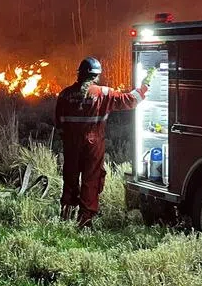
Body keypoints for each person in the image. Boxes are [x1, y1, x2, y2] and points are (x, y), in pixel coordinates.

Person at [54, 57, 150, 228]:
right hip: (93, 143)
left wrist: (67, 140)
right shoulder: (103, 93)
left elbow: (59, 123)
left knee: (70, 178)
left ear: (79, 74)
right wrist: (143, 88)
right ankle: (85, 220)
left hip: (71, 144)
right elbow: (129, 100)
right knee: (91, 179)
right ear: (96, 76)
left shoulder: (64, 94)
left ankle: (65, 215)